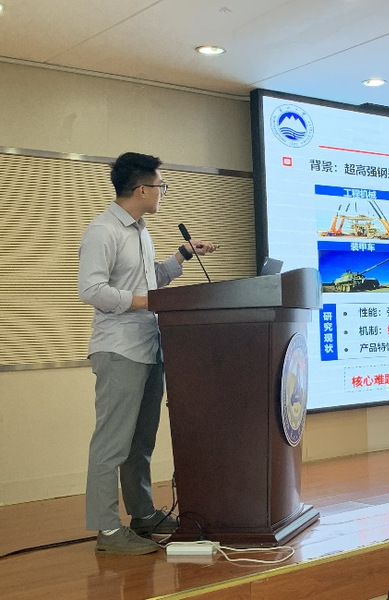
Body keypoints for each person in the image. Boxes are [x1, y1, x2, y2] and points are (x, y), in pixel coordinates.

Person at [78, 152, 216, 555]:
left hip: (149, 346)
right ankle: (107, 530)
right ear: (142, 189)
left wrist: (182, 255)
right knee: (112, 443)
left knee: (139, 442)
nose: (162, 192)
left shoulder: (141, 231)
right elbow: (92, 290)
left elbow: (148, 281)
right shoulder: (103, 231)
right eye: (160, 186)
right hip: (119, 349)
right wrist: (145, 302)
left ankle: (141, 515)